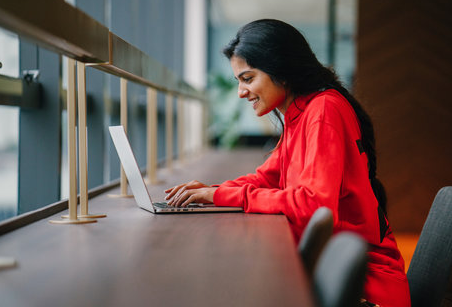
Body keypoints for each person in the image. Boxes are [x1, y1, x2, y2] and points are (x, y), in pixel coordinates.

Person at [165, 19, 410, 307]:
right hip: (335, 271)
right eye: (239, 81)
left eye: (248, 78)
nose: (241, 92)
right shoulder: (300, 112)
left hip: (363, 289)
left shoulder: (323, 111)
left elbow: (314, 205)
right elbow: (266, 177)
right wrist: (211, 193)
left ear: (280, 70)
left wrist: (220, 195)